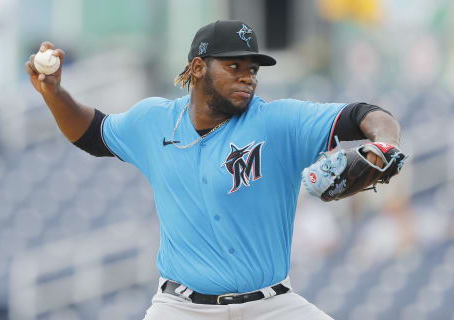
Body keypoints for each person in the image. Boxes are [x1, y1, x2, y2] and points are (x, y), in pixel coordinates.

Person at [26, 20, 401, 320]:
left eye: (252, 69)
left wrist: (384, 146)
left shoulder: (276, 121)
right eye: (234, 66)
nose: (247, 77)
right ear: (198, 68)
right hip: (180, 308)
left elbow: (364, 115)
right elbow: (92, 133)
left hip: (272, 306)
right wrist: (54, 94)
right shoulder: (153, 121)